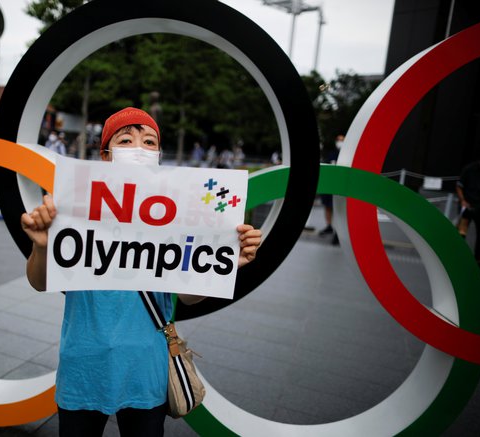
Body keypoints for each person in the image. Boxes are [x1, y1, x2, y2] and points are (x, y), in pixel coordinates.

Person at [21, 107, 262, 437]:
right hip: (84, 364)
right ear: (106, 155)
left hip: (146, 370)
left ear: (159, 155)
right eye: (126, 140)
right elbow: (39, 281)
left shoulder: (178, 218)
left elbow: (189, 297)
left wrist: (221, 264)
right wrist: (42, 246)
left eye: (149, 141)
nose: (139, 148)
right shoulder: (74, 209)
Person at [456, 156, 480, 270]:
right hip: (467, 205)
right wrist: (463, 201)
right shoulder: (470, 169)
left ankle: (478, 259)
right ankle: (456, 256)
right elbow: (459, 186)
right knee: (461, 232)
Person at [318, 134, 344, 245]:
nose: (339, 142)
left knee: (338, 211)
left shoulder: (346, 154)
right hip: (330, 187)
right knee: (328, 207)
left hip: (340, 188)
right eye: (338, 140)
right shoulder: (332, 154)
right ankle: (329, 226)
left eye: (342, 140)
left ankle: (338, 233)